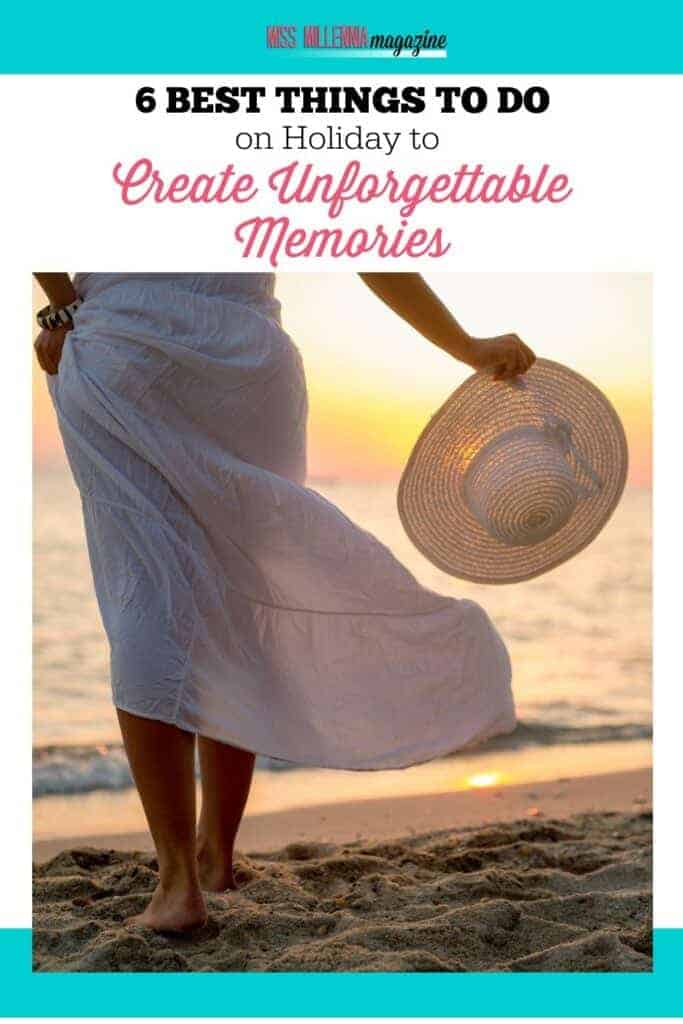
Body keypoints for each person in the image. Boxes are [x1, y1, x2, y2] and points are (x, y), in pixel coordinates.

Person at [34, 272, 535, 932]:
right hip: (246, 356)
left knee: (146, 595)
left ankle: (178, 884)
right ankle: (216, 857)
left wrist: (62, 308)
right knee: (245, 598)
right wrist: (465, 346)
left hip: (128, 341)